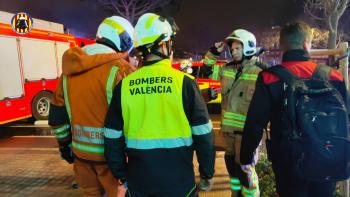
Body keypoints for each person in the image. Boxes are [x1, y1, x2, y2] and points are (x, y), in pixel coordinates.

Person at [104, 13, 215, 197]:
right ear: (164, 44)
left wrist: (122, 175)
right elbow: (204, 134)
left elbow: (111, 137)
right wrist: (207, 173)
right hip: (180, 185)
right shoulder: (185, 83)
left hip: (139, 184)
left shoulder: (124, 86)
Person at [240, 22, 347, 197]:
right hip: (326, 156)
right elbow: (346, 118)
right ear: (306, 43)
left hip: (287, 162)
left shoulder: (269, 77)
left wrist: (246, 159)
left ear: (282, 45)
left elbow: (255, 123)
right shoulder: (333, 76)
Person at [48, 16, 136, 197]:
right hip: (113, 161)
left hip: (81, 157)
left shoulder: (69, 71)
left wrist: (65, 147)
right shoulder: (122, 70)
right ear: (125, 41)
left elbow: (57, 117)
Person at [204, 29, 266, 196]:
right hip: (229, 133)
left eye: (238, 48)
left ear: (249, 47)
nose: (234, 52)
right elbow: (206, 70)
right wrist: (212, 53)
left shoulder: (261, 72)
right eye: (232, 49)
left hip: (248, 134)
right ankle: (235, 194)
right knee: (232, 168)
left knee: (246, 171)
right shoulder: (226, 69)